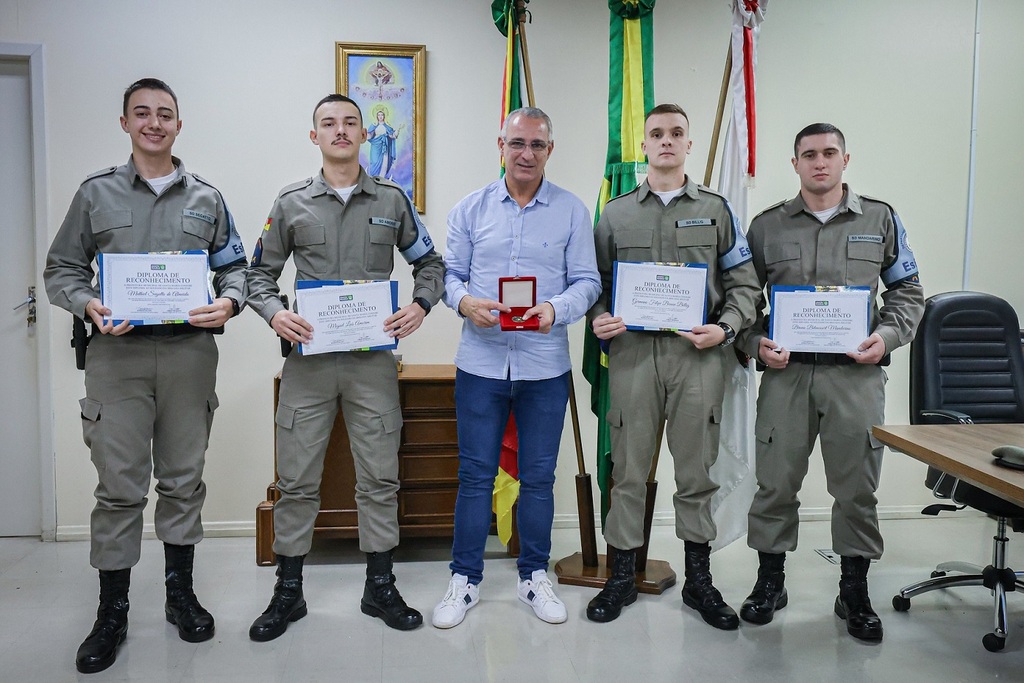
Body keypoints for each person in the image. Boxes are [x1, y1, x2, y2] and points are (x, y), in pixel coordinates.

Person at [43, 78, 247, 674]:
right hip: (117, 358)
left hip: (189, 356)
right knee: (119, 487)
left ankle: (180, 595)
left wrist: (229, 304)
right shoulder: (95, 194)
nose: (154, 123)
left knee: (184, 480)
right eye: (143, 114)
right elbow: (62, 268)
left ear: (179, 124)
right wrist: (88, 305)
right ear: (126, 122)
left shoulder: (207, 198)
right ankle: (113, 611)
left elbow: (235, 267)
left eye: (165, 114)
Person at [245, 94, 444, 641]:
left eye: (349, 123)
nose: (340, 131)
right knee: (297, 479)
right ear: (314, 136)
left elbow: (430, 263)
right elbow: (256, 275)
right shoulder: (290, 204)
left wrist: (419, 306)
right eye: (328, 123)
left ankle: (379, 585)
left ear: (363, 134)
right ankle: (289, 592)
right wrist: (275, 314)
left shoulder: (393, 200)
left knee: (379, 476)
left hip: (370, 364)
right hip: (308, 363)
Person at [736, 123, 924, 641]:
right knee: (775, 482)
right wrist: (755, 344)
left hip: (855, 377)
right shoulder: (767, 226)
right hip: (787, 375)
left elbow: (908, 291)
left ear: (846, 159)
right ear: (794, 163)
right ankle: (770, 582)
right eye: (809, 154)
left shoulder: (880, 219)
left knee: (857, 488)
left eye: (829, 153)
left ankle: (853, 591)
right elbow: (742, 302)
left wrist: (885, 337)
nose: (820, 162)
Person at [584, 104, 761, 629]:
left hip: (697, 356)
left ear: (688, 143)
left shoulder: (717, 210)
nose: (666, 142)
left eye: (676, 134)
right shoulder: (615, 215)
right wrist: (598, 319)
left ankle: (699, 582)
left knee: (696, 473)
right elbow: (591, 283)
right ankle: (621, 577)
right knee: (628, 472)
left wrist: (726, 329)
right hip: (634, 357)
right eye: (656, 134)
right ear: (644, 146)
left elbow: (746, 285)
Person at [431, 107, 601, 629]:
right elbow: (448, 275)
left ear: (551, 150)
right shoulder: (470, 209)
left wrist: (555, 310)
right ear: (500, 145)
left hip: (544, 367)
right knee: (475, 476)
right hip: (481, 363)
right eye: (517, 143)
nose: (526, 154)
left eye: (537, 145)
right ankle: (464, 580)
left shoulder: (571, 212)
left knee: (538, 478)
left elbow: (588, 282)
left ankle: (533, 576)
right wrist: (464, 303)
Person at [366, 107, 398, 178]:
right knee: (374, 161)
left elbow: (392, 135)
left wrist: (396, 132)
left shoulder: (387, 126)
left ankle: (382, 177)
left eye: (382, 115)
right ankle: (373, 178)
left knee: (384, 161)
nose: (380, 117)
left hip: (384, 146)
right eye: (379, 115)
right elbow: (370, 136)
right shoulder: (374, 125)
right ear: (376, 116)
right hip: (376, 145)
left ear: (384, 116)